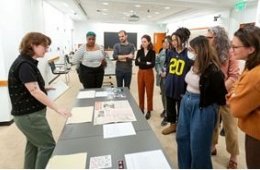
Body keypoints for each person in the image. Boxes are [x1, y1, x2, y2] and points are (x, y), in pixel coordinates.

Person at [8, 32, 71, 169]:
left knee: (33, 146)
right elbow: (34, 91)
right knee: (48, 146)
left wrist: (44, 87)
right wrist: (57, 108)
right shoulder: (25, 64)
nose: (47, 49)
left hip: (25, 116)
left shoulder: (25, 62)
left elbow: (28, 86)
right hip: (30, 116)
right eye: (44, 46)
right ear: (33, 45)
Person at [176, 35, 227, 168]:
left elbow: (221, 96)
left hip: (202, 107)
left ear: (200, 50)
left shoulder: (213, 70)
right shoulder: (193, 63)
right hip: (186, 102)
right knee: (182, 138)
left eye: (192, 49)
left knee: (198, 147)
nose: (189, 52)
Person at [207, 26, 240, 169]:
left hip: (227, 96)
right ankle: (212, 146)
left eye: (209, 37)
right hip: (212, 95)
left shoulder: (230, 52)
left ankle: (234, 156)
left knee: (230, 128)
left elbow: (234, 76)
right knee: (213, 124)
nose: (206, 40)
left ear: (217, 38)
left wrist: (220, 90)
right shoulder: (209, 52)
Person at [228, 25, 260, 169]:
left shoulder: (255, 75)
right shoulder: (251, 65)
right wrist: (236, 93)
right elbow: (236, 87)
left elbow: (235, 109)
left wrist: (235, 94)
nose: (231, 50)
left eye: (235, 47)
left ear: (251, 49)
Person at [162, 27, 193, 135]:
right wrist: (164, 71)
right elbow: (166, 64)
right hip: (170, 84)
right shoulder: (170, 52)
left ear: (183, 39)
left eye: (176, 40)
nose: (173, 42)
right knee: (170, 107)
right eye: (173, 40)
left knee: (181, 109)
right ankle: (172, 125)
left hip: (182, 87)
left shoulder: (188, 54)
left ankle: (181, 127)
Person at [135, 34, 155, 119]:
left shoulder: (152, 52)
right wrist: (146, 63)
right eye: (142, 41)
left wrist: (142, 62)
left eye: (145, 41)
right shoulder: (139, 51)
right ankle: (141, 108)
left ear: (149, 42)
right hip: (140, 73)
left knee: (149, 92)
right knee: (140, 91)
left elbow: (152, 64)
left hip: (149, 73)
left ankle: (149, 110)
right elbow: (136, 63)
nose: (143, 43)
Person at [155, 36, 171, 126]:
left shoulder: (172, 53)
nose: (164, 44)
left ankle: (168, 114)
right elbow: (157, 62)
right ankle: (165, 109)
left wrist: (166, 72)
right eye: (163, 42)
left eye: (165, 42)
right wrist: (160, 71)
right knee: (163, 95)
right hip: (161, 77)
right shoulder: (162, 51)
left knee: (168, 97)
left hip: (168, 78)